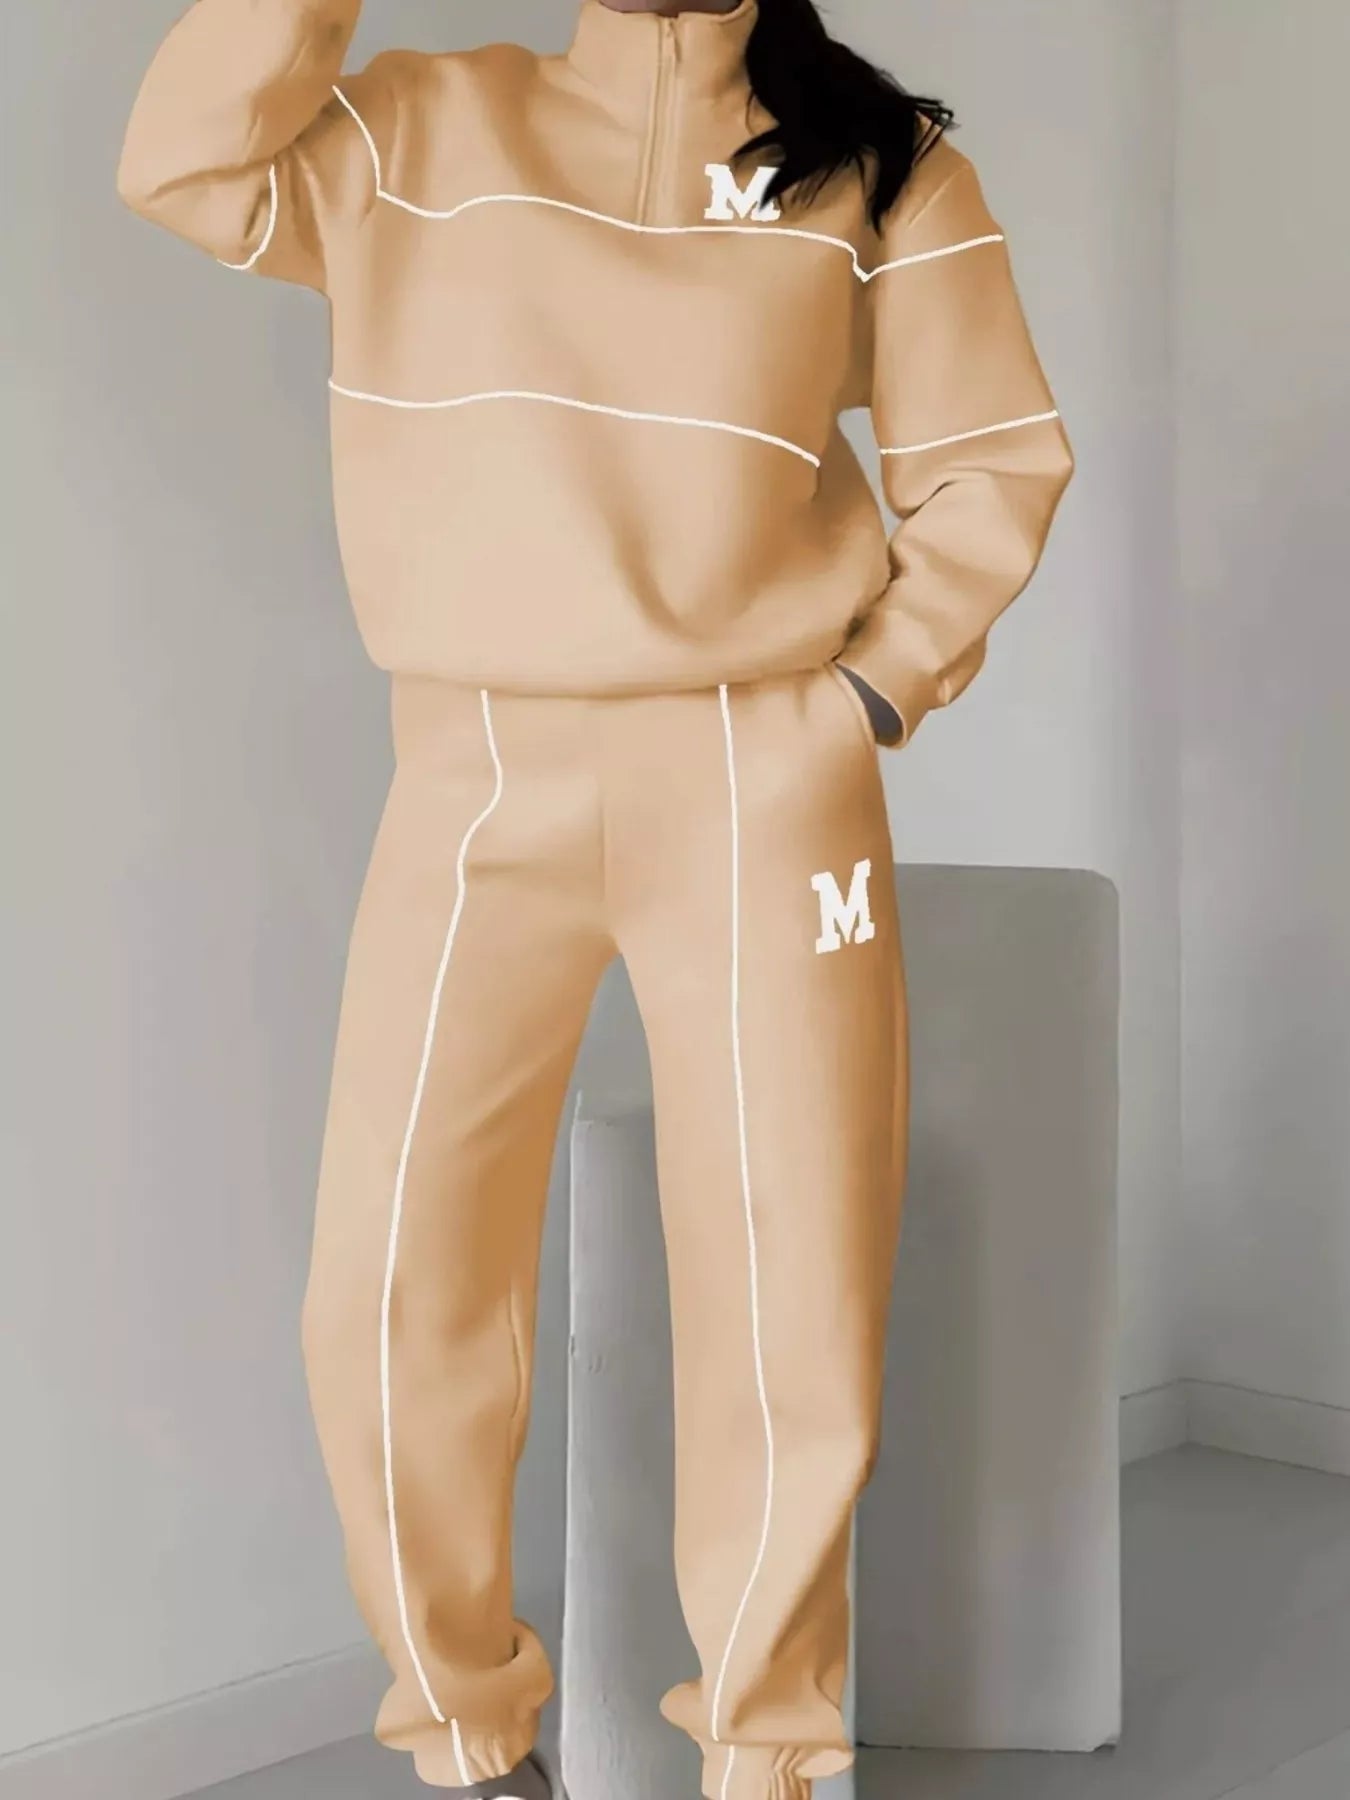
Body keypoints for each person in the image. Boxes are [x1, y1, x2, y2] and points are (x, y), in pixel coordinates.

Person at [118, 0, 1073, 1794]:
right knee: (390, 1279)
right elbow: (181, 163)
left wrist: (869, 694)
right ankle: (469, 1730)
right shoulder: (416, 128)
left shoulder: (878, 169)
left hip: (763, 775)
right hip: (476, 767)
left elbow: (994, 452)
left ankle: (766, 1752)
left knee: (793, 1285)